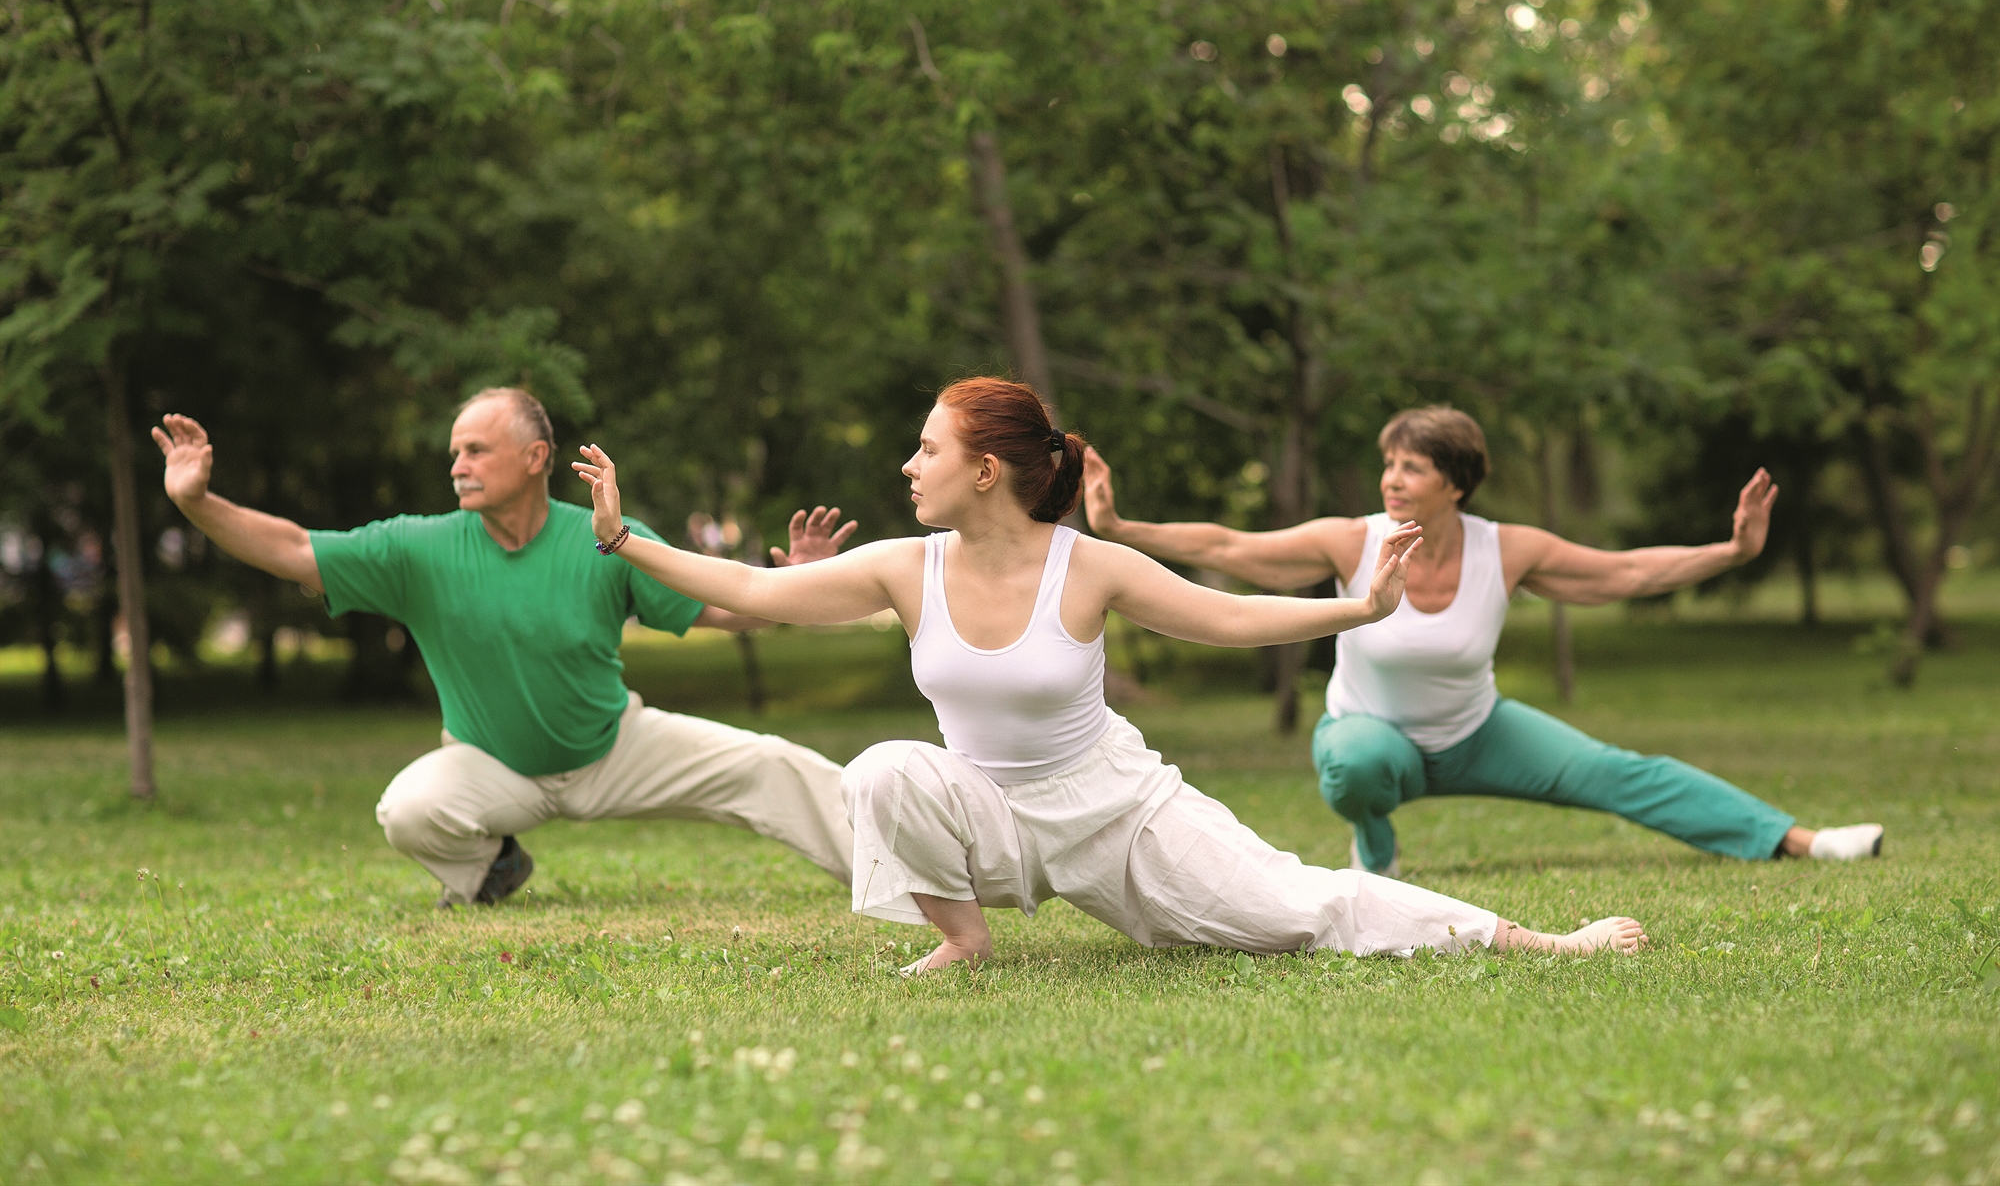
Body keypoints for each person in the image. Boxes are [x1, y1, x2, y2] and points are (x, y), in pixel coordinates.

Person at [572, 378, 1648, 971]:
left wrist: (1357, 606)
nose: (907, 466)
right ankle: (964, 939)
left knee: (1299, 910)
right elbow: (752, 593)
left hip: (1119, 815)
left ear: (983, 470)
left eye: (925, 449)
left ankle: (1537, 939)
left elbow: (1225, 615)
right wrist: (625, 541)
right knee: (881, 770)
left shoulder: (1087, 566)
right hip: (990, 814)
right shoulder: (904, 568)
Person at [1082, 405, 1884, 877]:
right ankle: (1375, 842)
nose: (1393, 478)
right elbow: (1229, 546)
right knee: (1359, 765)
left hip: (1478, 731)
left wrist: (1734, 552)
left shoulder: (1510, 549)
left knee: (1623, 773)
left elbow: (1627, 573)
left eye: (1414, 467)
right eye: (1390, 464)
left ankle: (1802, 840)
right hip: (1374, 736)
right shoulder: (1348, 539)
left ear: (1456, 484)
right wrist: (1120, 527)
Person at [153, 388, 857, 907]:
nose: (457, 464)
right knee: (408, 809)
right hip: (492, 765)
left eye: (476, 449)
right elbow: (296, 549)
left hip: (615, 747)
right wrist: (197, 503)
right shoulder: (418, 548)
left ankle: (900, 874)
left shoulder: (607, 536)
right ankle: (493, 866)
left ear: (535, 457)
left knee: (771, 762)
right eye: (454, 451)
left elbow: (727, 610)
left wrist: (798, 584)